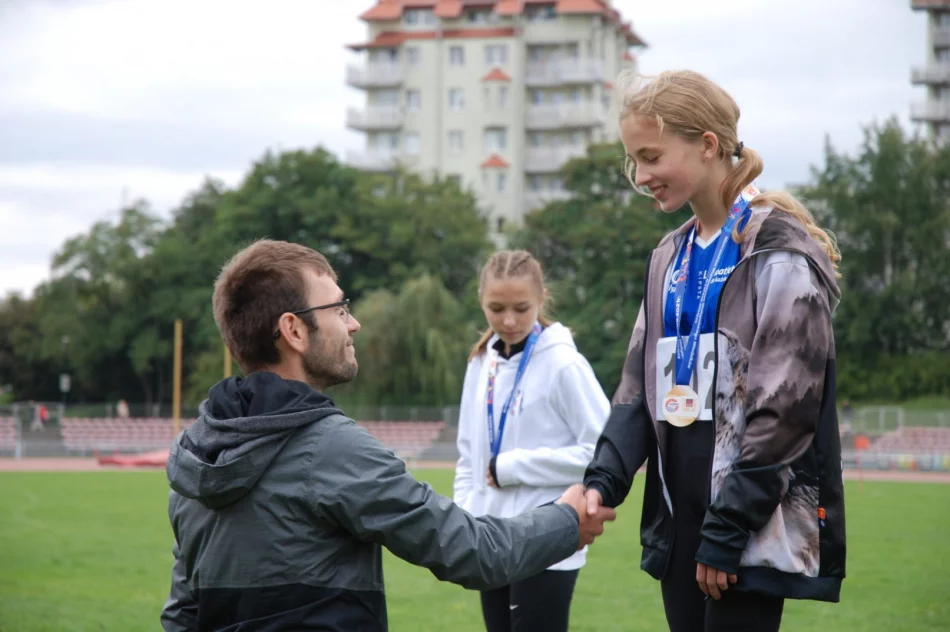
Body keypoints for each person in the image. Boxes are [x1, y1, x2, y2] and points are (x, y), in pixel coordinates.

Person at [160, 239, 616, 632]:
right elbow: (473, 551)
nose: (353, 323)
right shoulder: (334, 450)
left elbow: (183, 613)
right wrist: (567, 521)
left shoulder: (200, 450)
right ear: (293, 330)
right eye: (338, 309)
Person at [583, 70, 847, 632]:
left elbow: (786, 412)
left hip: (747, 526)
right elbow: (638, 386)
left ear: (707, 144)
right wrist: (602, 480)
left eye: (651, 157)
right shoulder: (668, 256)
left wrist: (729, 528)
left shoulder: (777, 252)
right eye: (633, 161)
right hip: (680, 521)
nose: (641, 176)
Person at [453, 250, 610, 632]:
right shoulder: (480, 363)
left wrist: (513, 467)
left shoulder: (564, 364)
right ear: (481, 301)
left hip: (548, 539)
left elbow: (604, 452)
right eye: (496, 308)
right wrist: (465, 519)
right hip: (490, 539)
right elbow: (468, 454)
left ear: (542, 299)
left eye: (521, 308)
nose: (508, 320)